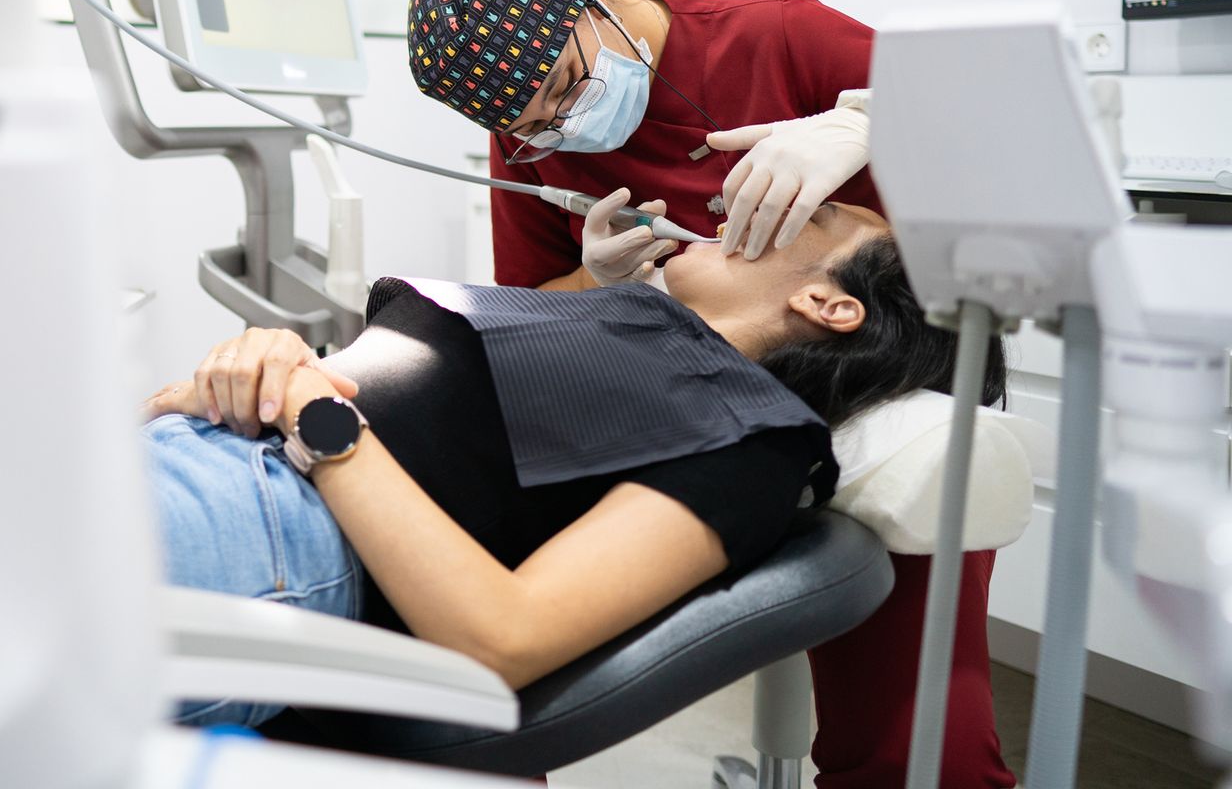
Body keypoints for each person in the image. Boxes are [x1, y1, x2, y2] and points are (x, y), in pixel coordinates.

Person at [405, 0, 1013, 787]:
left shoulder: (777, 36)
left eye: (566, 88)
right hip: (687, 406)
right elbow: (535, 309)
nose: (561, 126)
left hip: (875, 382)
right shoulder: (528, 131)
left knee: (913, 741)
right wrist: (594, 276)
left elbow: (1004, 124)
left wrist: (871, 123)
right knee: (472, 634)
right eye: (533, 129)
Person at [140, 205, 1007, 744]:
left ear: (829, 303)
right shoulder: (629, 321)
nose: (733, 203)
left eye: (812, 216)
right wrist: (263, 367)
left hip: (270, 529)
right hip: (188, 463)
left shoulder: (756, 440)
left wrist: (310, 411)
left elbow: (500, 636)